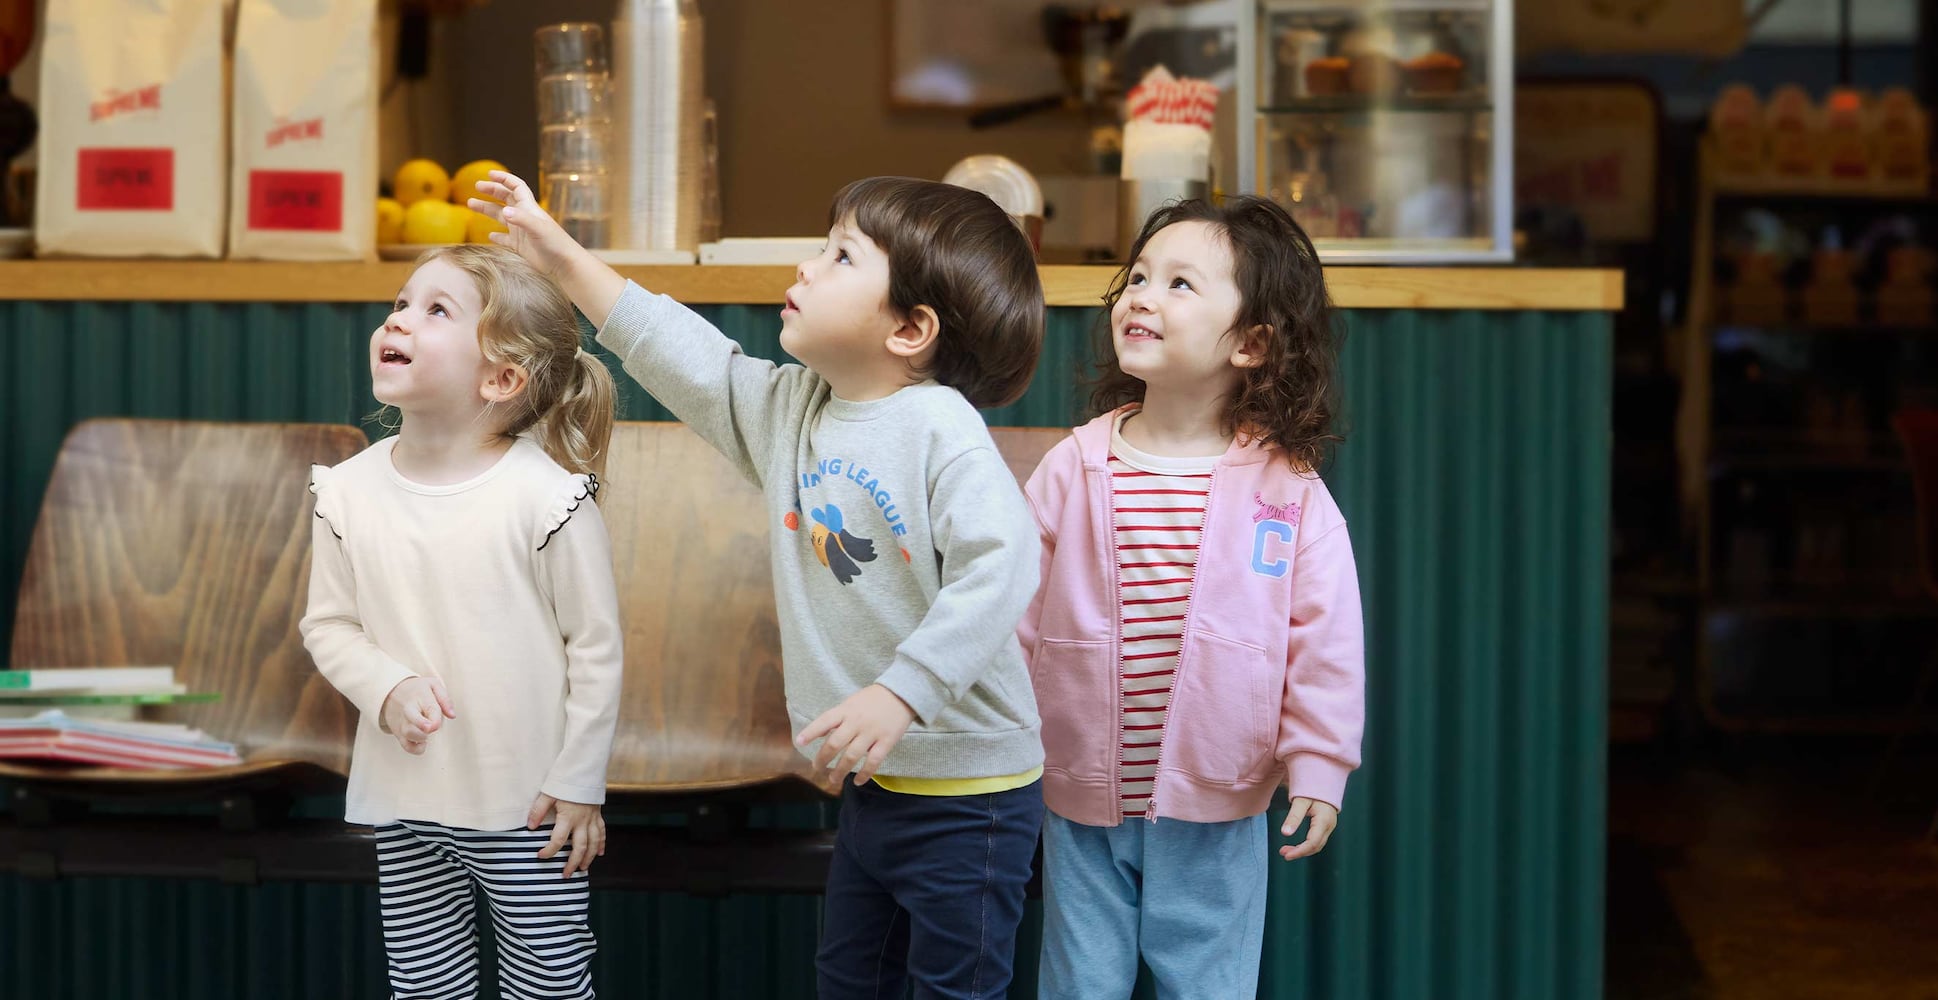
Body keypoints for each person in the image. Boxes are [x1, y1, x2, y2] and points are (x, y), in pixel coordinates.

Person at [470, 169, 1049, 998]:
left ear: (910, 327)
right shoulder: (794, 411)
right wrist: (559, 256)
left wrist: (904, 692)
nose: (809, 267)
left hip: (973, 796)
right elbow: (685, 355)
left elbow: (1006, 565)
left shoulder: (939, 427)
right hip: (875, 787)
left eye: (843, 257)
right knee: (848, 980)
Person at [1018, 196, 1366, 998]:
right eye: (1138, 276)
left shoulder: (1288, 489)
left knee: (1207, 985)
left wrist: (1319, 763)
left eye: (1180, 284)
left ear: (1252, 343)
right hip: (1078, 797)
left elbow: (1326, 639)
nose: (1141, 295)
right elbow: (1010, 613)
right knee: (1079, 983)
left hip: (1220, 797)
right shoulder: (1073, 466)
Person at [300, 244, 623, 1000]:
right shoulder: (345, 492)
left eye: (434, 309)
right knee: (423, 984)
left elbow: (597, 651)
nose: (398, 319)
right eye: (401, 301)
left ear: (501, 377)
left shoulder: (548, 501)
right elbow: (329, 625)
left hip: (530, 805)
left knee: (546, 982)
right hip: (406, 798)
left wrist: (580, 784)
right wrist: (387, 687)